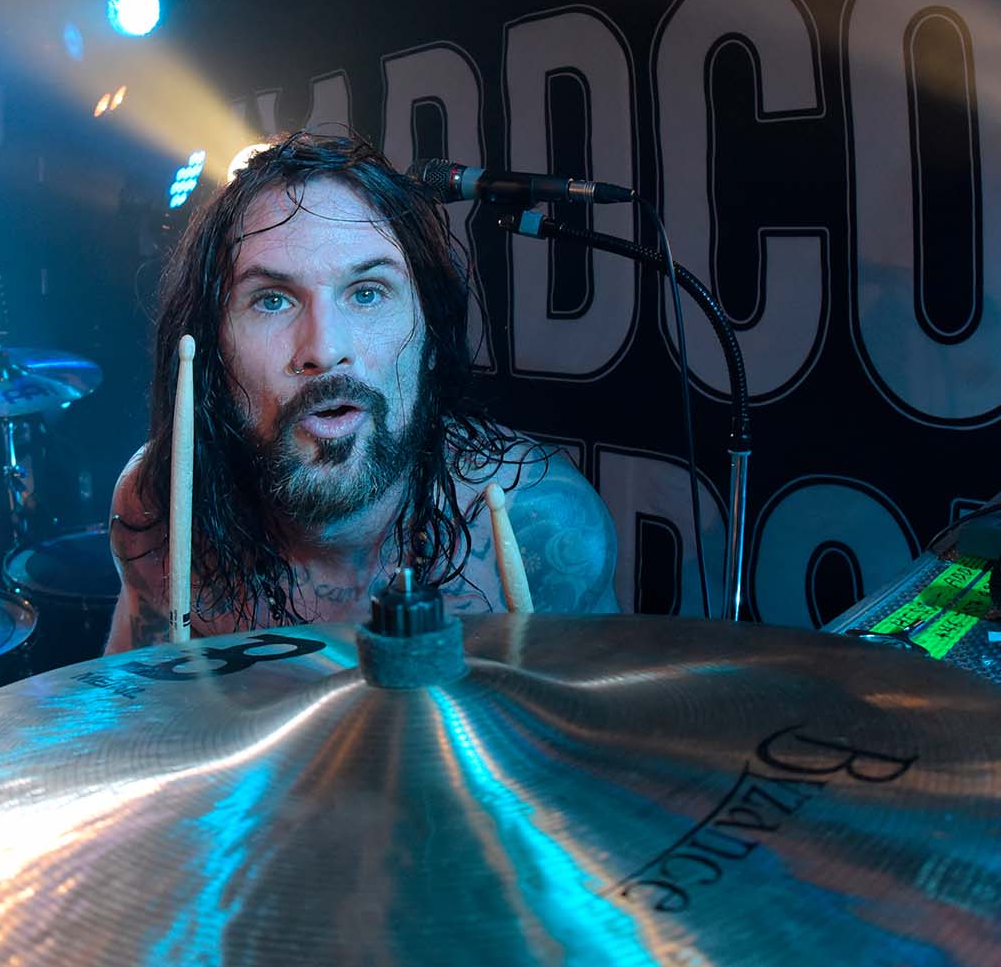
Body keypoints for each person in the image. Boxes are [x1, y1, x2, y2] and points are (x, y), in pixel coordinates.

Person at [103, 132, 617, 653]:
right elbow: (131, 703)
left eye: (368, 293)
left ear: (431, 336)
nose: (325, 350)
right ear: (212, 348)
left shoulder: (544, 524)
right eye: (272, 300)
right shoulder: (160, 507)